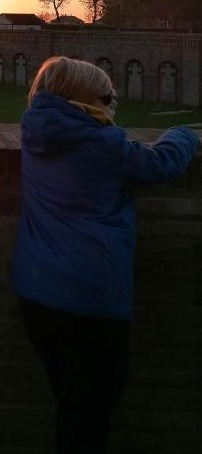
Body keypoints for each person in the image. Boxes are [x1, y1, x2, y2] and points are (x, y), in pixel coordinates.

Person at [11, 56, 199, 454]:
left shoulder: (34, 133)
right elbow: (160, 163)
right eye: (108, 97)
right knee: (91, 415)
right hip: (89, 303)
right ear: (85, 100)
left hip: (36, 292)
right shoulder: (102, 144)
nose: (114, 105)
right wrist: (183, 133)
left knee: (71, 403)